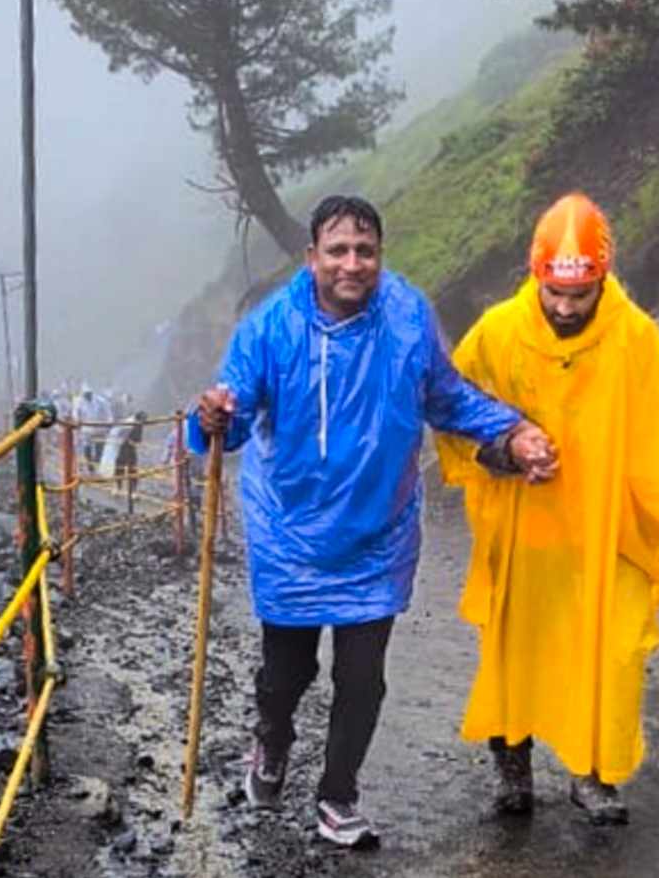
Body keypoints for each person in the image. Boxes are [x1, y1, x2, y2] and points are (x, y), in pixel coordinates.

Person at [190, 195, 554, 848]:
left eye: (365, 251)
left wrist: (513, 430)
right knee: (286, 677)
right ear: (312, 258)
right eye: (337, 250)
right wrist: (213, 416)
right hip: (290, 536)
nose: (352, 264)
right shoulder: (270, 327)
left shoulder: (409, 315)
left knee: (362, 678)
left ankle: (337, 796)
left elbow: (445, 396)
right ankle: (271, 742)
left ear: (380, 257)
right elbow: (233, 414)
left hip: (378, 537)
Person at [437, 193, 659, 826]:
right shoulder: (498, 332)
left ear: (602, 278)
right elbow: (449, 409)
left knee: (607, 656)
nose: (564, 306)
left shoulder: (635, 336)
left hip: (605, 534)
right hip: (523, 531)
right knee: (515, 654)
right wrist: (503, 451)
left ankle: (593, 775)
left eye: (579, 294)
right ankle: (513, 771)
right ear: (535, 274)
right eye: (554, 292)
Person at [115, 412, 146, 514]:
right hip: (121, 446)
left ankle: (133, 491)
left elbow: (138, 438)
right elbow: (118, 434)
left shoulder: (139, 424)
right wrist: (128, 440)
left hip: (131, 448)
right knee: (120, 468)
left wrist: (134, 442)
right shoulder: (128, 424)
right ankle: (118, 488)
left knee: (133, 469)